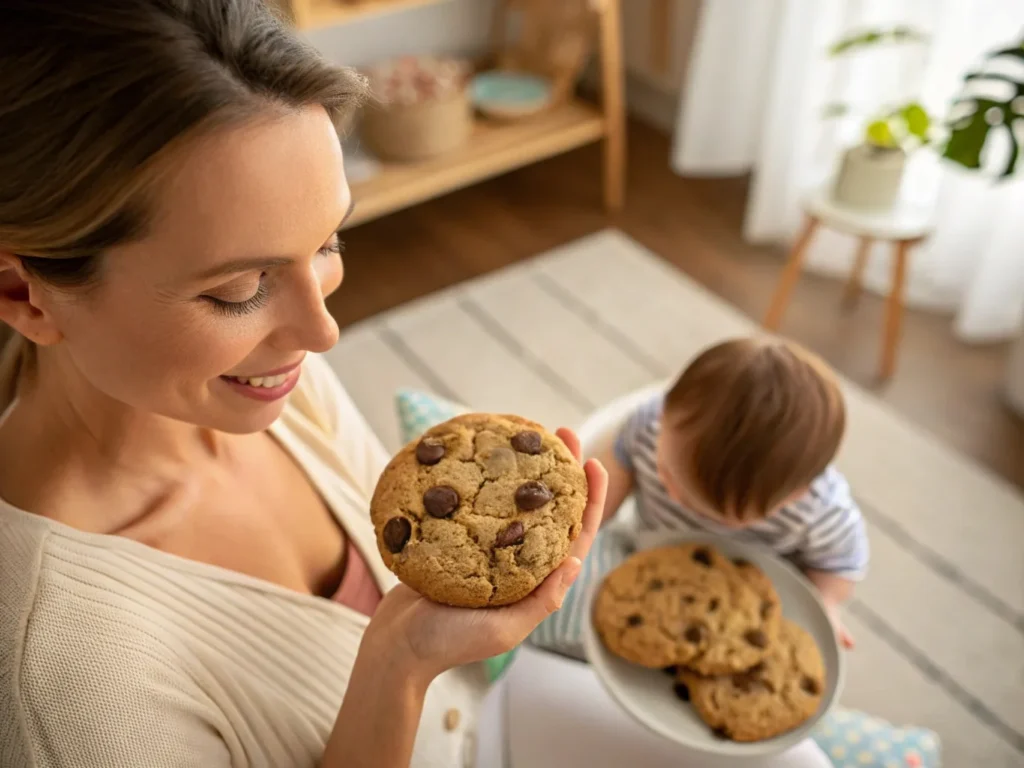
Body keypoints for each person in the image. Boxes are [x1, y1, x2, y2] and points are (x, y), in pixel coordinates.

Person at [0, 2, 607, 766]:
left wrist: (430, 646)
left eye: (327, 242)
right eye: (239, 288)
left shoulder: (268, 388)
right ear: (24, 295)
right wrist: (399, 666)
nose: (323, 333)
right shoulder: (68, 683)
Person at [598, 336, 869, 648]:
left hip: (747, 602)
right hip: (645, 551)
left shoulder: (818, 511)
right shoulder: (650, 425)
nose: (672, 494)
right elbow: (612, 474)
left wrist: (827, 604)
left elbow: (840, 563)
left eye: (699, 508)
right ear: (668, 410)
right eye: (665, 471)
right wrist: (587, 526)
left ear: (793, 496)